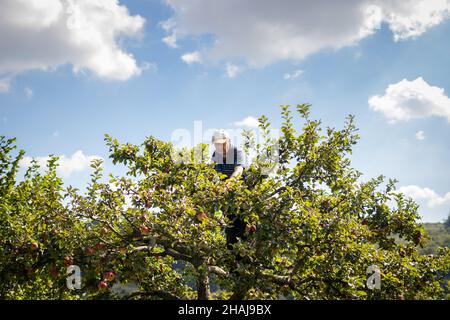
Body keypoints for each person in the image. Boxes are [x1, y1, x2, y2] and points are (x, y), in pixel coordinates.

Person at [211, 129, 246, 251]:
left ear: (229, 141)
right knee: (230, 229)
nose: (220, 146)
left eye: (222, 143)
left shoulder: (237, 152)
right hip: (227, 196)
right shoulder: (216, 155)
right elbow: (214, 174)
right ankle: (231, 261)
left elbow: (238, 171)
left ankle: (245, 258)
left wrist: (228, 184)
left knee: (242, 227)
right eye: (217, 144)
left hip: (241, 193)